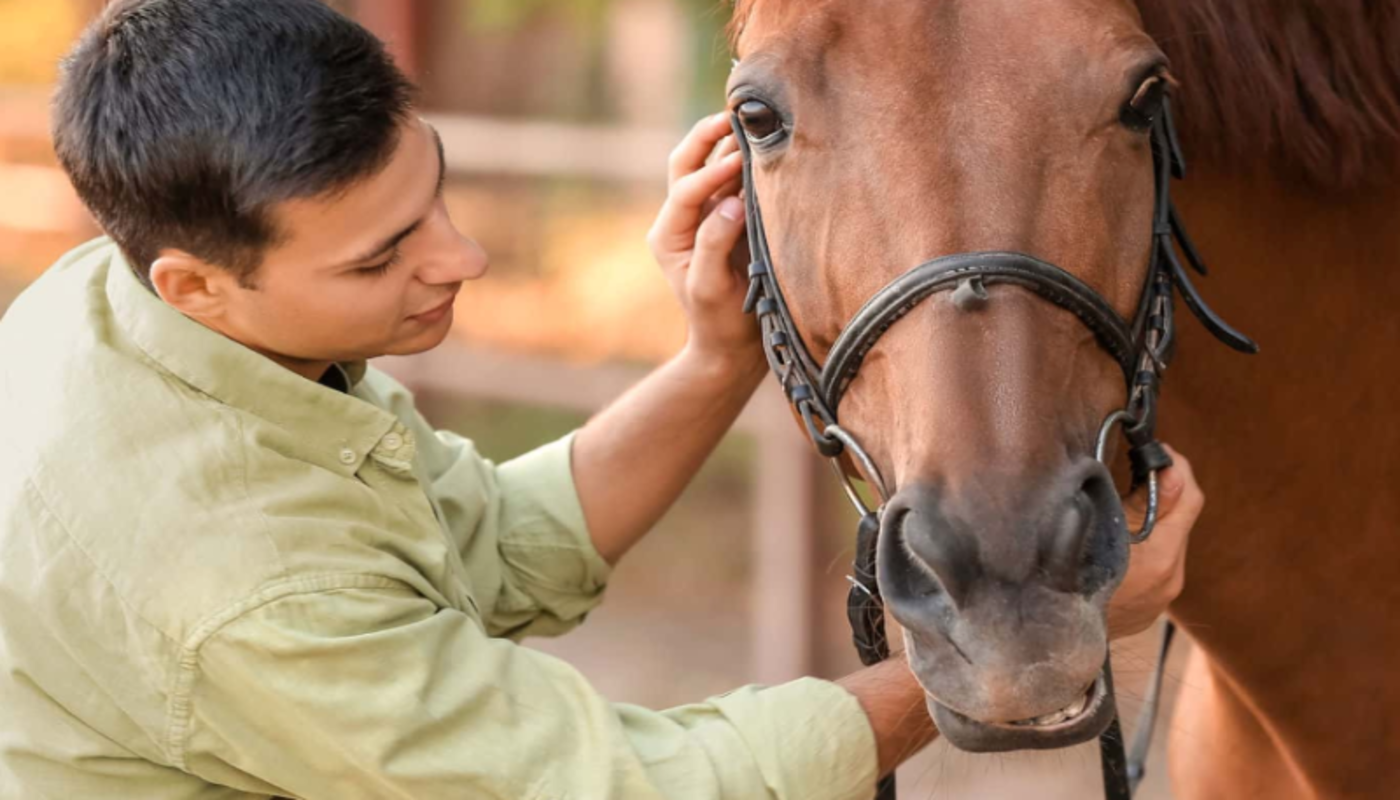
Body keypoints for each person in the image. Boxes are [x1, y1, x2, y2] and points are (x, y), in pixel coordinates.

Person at [0, 1, 1205, 798]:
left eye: (432, 197)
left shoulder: (122, 313)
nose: (460, 260)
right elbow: (619, 787)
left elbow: (479, 547)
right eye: (380, 258)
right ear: (200, 284)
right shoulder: (232, 584)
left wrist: (712, 357)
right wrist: (1018, 645)